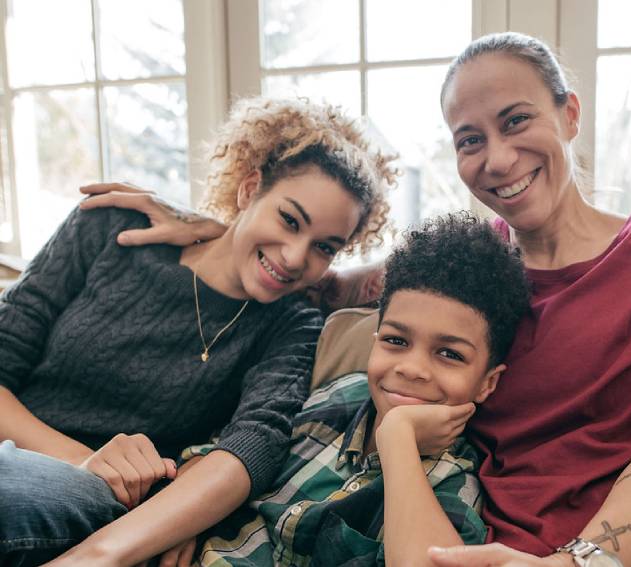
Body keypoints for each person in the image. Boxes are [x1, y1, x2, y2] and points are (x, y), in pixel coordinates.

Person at [74, 32, 631, 567]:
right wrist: (216, 228)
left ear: (569, 113)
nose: (496, 159)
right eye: (470, 140)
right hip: (457, 544)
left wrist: (574, 562)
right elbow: (315, 273)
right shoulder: (469, 271)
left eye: (517, 121)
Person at [0, 96, 395, 567]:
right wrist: (85, 459)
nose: (293, 256)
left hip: (97, 505)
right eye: (289, 220)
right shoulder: (112, 227)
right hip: (46, 464)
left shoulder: (291, 325)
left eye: (323, 247)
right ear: (249, 190)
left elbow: (255, 444)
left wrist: (170, 509)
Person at [181, 212, 530, 567]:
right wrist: (186, 517)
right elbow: (223, 454)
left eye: (448, 354)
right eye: (396, 340)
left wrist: (398, 437)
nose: (410, 368)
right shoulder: (334, 397)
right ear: (375, 340)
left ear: (488, 382)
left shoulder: (452, 484)